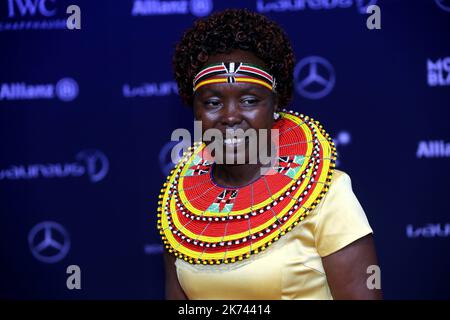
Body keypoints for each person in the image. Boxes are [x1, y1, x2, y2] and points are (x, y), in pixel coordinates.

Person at [157, 8, 382, 300]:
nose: (230, 116)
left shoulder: (328, 194)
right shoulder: (179, 208)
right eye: (212, 102)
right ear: (195, 109)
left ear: (275, 104)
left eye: (250, 100)